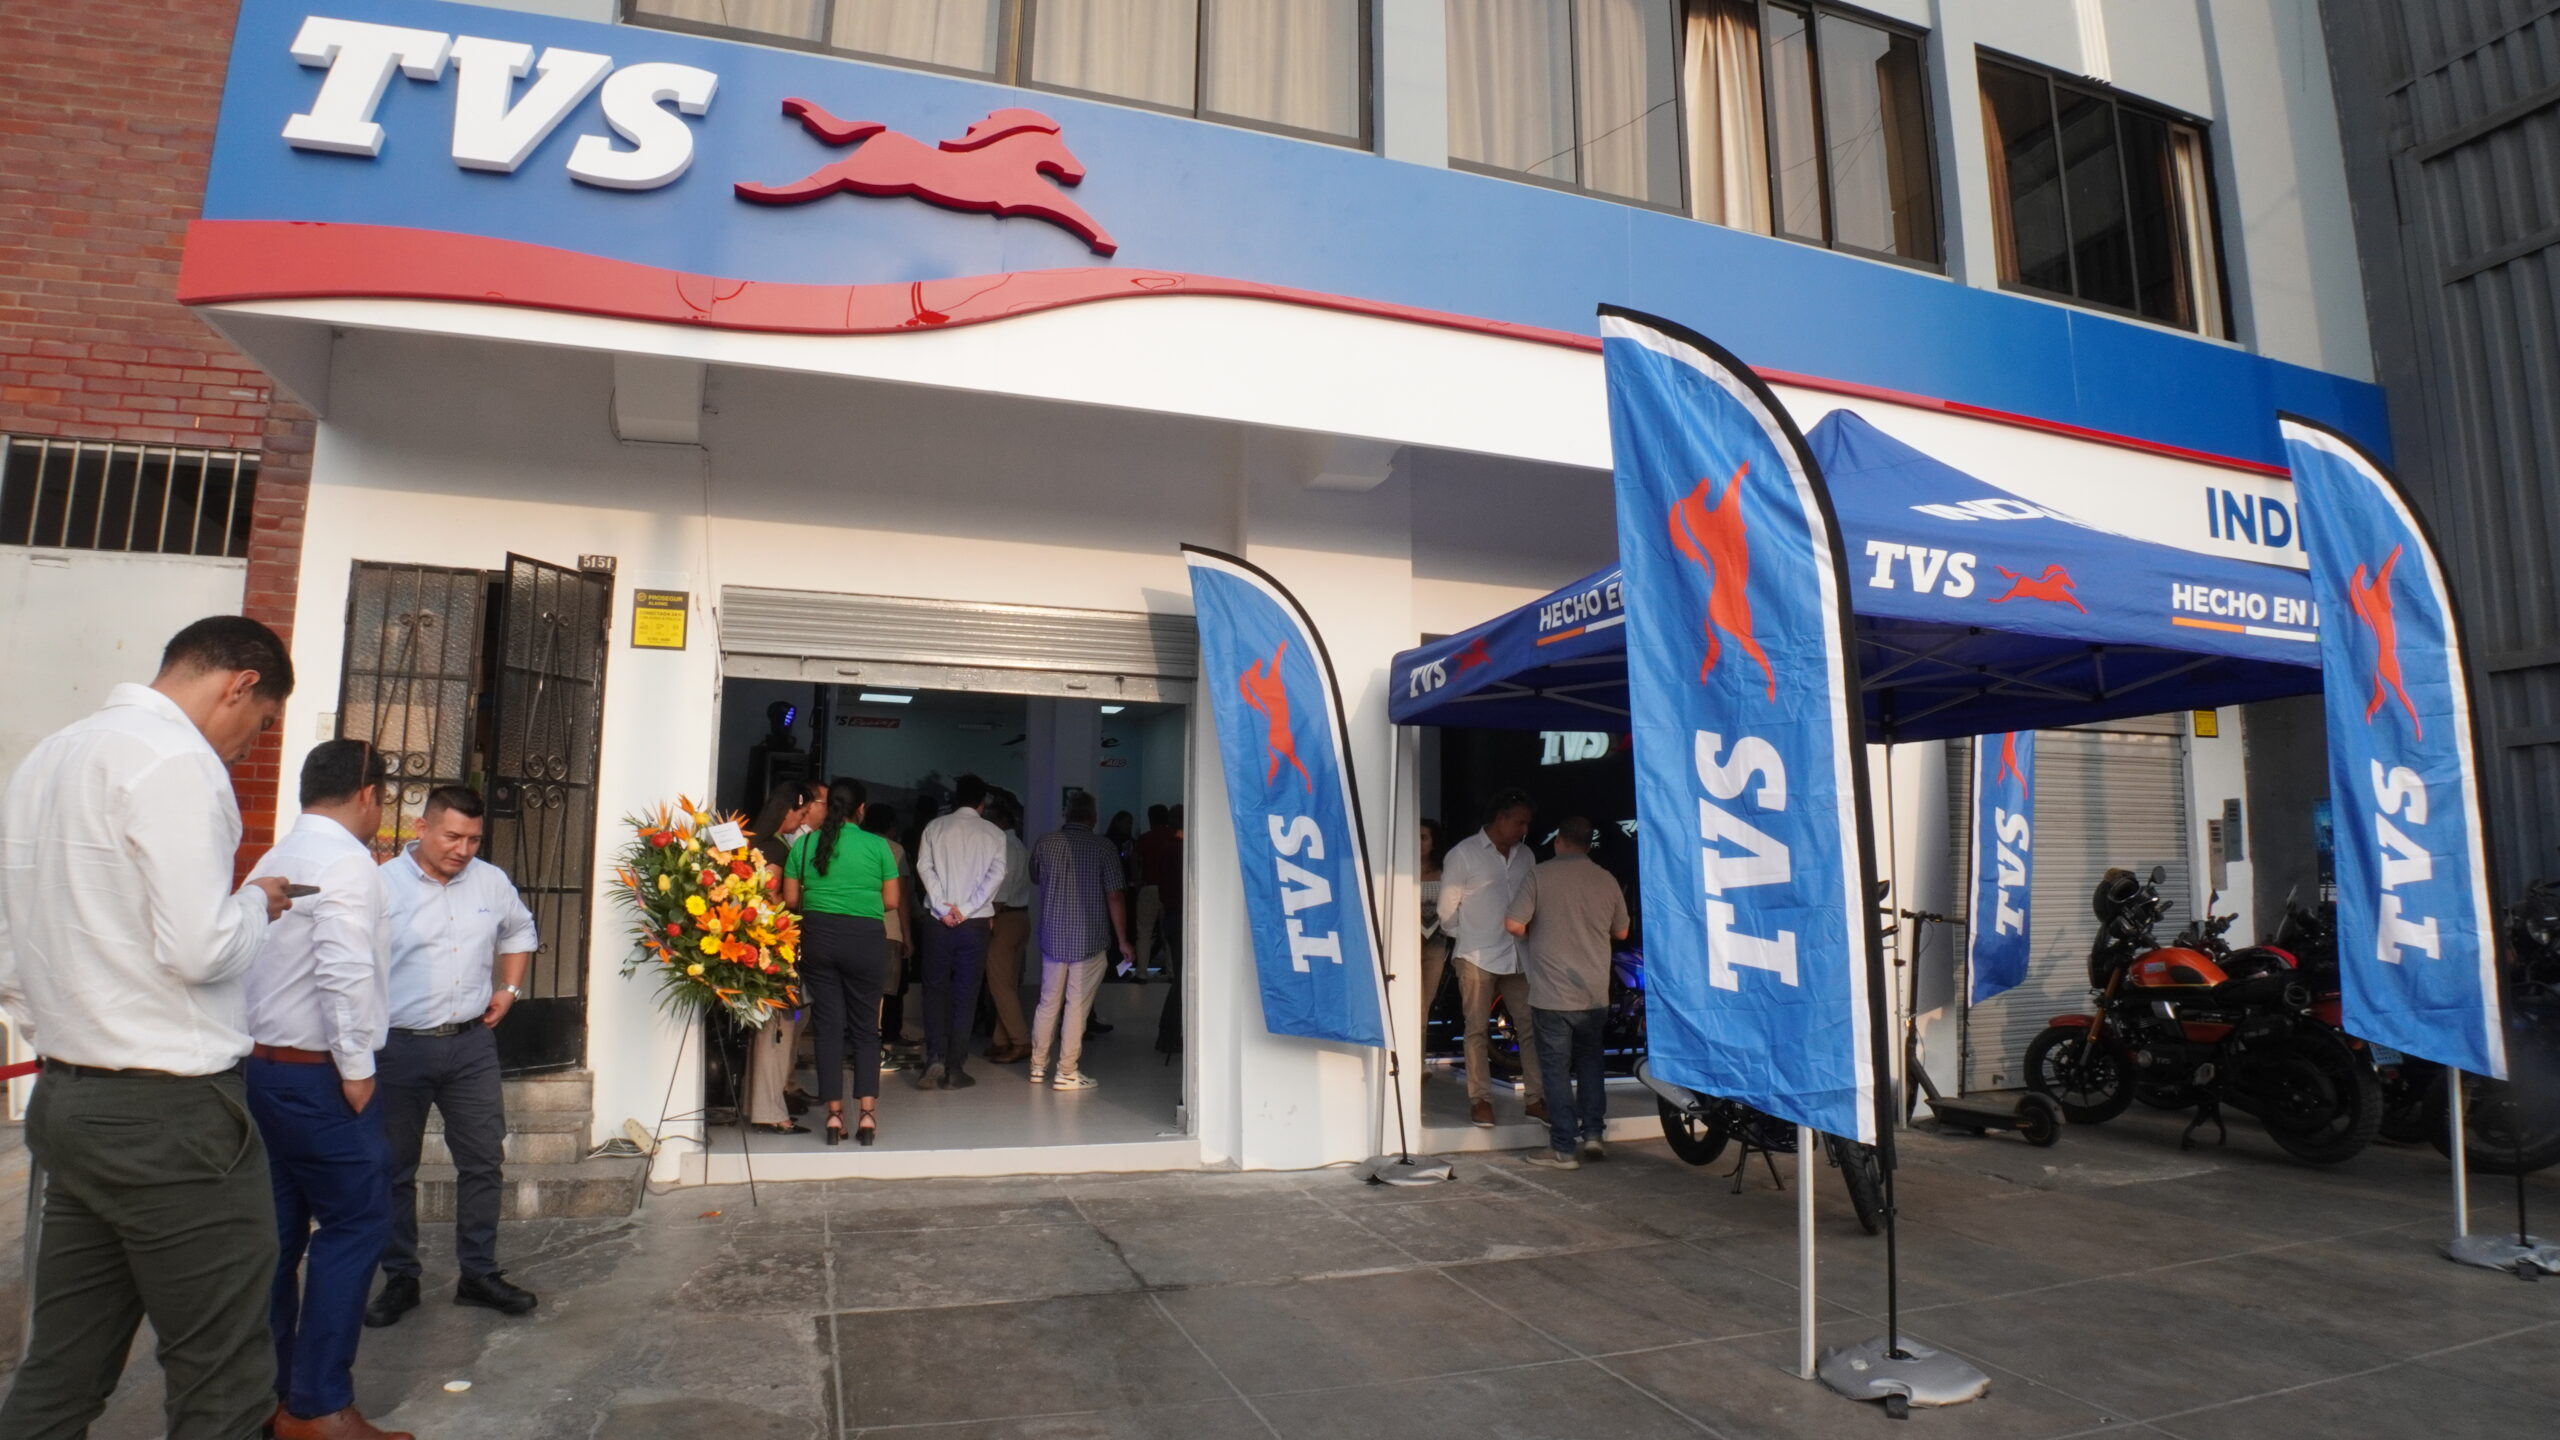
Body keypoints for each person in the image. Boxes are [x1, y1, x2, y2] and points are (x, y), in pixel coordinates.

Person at [0, 616, 299, 1440]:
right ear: (240, 684)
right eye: (262, 722)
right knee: (222, 1380)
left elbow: (12, 951)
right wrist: (257, 903)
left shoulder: (49, 756)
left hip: (70, 1100)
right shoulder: (178, 762)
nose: (252, 743)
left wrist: (79, 1027)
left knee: (60, 1370)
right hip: (171, 1118)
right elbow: (201, 949)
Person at [242, 740, 408, 1440]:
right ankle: (317, 1406)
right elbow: (343, 970)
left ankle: (269, 1399)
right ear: (369, 794)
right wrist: (357, 1068)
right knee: (357, 1225)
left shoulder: (274, 858)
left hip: (263, 1069)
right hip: (318, 1075)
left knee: (278, 1240)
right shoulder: (347, 863)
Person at [366, 785, 540, 1328]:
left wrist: (508, 989)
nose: (463, 850)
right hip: (398, 1046)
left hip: (470, 1045)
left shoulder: (490, 881)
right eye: (452, 836)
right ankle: (400, 1276)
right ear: (421, 828)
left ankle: (478, 1273)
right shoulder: (381, 886)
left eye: (473, 839)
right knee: (394, 1167)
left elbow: (520, 930)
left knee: (483, 1160)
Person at [1503, 816, 1629, 1171]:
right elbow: (1622, 932)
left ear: (1558, 840)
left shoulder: (1539, 875)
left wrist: (1540, 934)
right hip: (1593, 993)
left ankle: (1563, 1147)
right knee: (1591, 1064)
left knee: (1556, 1070)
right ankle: (1593, 1134)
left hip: (1551, 994)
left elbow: (1513, 923)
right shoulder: (1606, 879)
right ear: (1589, 844)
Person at [783, 778, 901, 1145]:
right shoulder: (878, 845)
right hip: (865, 939)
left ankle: (834, 1116)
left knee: (828, 1028)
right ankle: (867, 1115)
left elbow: (791, 900)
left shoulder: (805, 844)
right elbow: (892, 901)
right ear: (861, 809)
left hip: (818, 938)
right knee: (865, 1029)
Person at [1436, 789, 1545, 1127]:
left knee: (1530, 1027)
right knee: (1475, 1030)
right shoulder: (1464, 854)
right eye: (1519, 822)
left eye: (1526, 823)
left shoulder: (1526, 855)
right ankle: (1480, 1100)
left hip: (1518, 954)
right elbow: (1446, 911)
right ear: (1500, 818)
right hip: (1477, 956)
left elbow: (1532, 899)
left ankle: (1535, 1099)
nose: (1524, 829)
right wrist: (1470, 937)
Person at [1027, 792, 1130, 1090]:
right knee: (1076, 1006)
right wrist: (1123, 940)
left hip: (1053, 936)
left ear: (1066, 814)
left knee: (1048, 1002)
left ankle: (1037, 1066)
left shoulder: (1045, 843)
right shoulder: (1104, 847)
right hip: (1089, 939)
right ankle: (1067, 1071)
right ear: (1093, 817)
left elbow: (1035, 877)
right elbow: (1114, 895)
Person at [913, 774, 1007, 1090]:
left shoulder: (934, 828)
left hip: (938, 922)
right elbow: (996, 876)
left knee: (934, 990)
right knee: (966, 993)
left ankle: (934, 1057)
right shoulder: (994, 833)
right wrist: (965, 909)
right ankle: (955, 1069)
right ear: (983, 801)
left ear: (955, 797)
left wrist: (943, 907)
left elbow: (924, 868)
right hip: (974, 923)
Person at [747, 780, 824, 1134]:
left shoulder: (754, 842)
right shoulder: (777, 849)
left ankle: (762, 1105)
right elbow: (772, 898)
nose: (804, 820)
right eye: (802, 813)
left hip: (758, 947)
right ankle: (772, 1111)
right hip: (776, 948)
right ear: (787, 811)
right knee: (779, 1029)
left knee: (773, 1026)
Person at [981, 797, 1035, 1063]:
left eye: (990, 818)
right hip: (1019, 917)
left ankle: (1020, 1041)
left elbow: (1001, 891)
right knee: (1008, 983)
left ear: (1002, 821)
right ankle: (1002, 1039)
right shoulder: (1019, 845)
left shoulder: (1003, 845)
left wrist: (989, 918)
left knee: (1000, 985)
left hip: (1004, 918)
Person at [1131, 803, 1185, 977]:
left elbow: (1135, 861)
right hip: (1171, 891)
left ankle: (1141, 972)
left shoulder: (1145, 838)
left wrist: (1136, 881)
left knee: (1144, 932)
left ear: (1150, 819)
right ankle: (1172, 971)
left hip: (1149, 886)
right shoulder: (1174, 839)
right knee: (1168, 935)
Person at [1417, 817, 1449, 1027]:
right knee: (1408, 999)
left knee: (1425, 1002)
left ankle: (1419, 1044)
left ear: (1433, 842)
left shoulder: (1445, 872)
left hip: (1436, 944)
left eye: (1424, 837)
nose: (1419, 842)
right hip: (1406, 942)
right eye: (1415, 837)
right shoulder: (1400, 869)